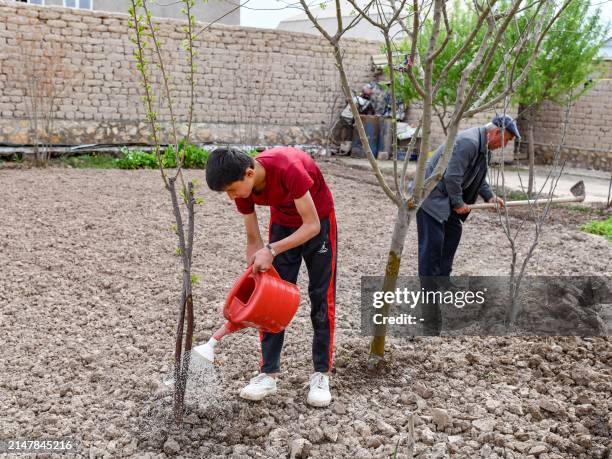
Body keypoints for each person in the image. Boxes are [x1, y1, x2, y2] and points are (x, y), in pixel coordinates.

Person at [205, 146, 337, 407]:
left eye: (231, 189)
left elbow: (312, 226)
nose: (231, 197)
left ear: (250, 173)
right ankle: (268, 373)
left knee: (321, 298)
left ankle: (321, 374)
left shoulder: (289, 169)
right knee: (269, 300)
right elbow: (254, 240)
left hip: (318, 226)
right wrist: (256, 265)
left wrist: (272, 250)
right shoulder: (244, 190)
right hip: (282, 226)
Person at [416, 115, 521, 333]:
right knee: (431, 256)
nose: (506, 145)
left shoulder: (484, 149)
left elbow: (479, 178)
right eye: (507, 140)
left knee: (451, 241)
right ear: (497, 132)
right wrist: (458, 203)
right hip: (432, 201)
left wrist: (490, 196)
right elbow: (452, 176)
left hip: (448, 202)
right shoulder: (469, 142)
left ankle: (442, 289)